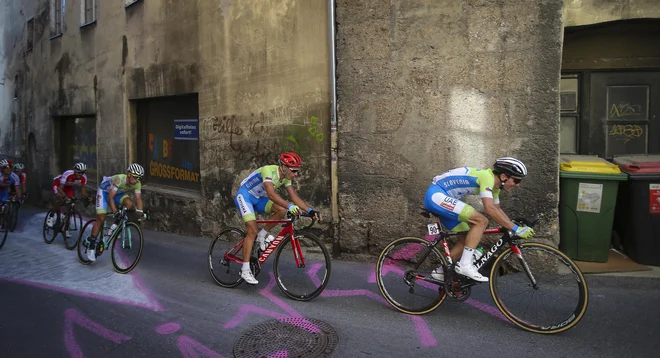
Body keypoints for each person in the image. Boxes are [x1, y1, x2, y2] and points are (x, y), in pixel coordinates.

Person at [424, 157, 535, 282]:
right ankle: (465, 265)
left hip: (443, 198)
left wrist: (514, 226)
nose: (518, 185)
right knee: (481, 221)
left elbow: (497, 209)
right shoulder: (487, 178)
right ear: (504, 177)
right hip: (437, 195)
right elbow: (489, 209)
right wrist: (515, 228)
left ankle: (441, 272)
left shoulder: (496, 188)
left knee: (466, 238)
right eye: (516, 180)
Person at [234, 152, 321, 285]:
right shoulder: (269, 171)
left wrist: (309, 210)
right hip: (245, 196)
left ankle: (262, 235)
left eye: (297, 171)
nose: (296, 174)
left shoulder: (286, 178)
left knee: (281, 210)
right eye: (294, 171)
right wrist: (290, 206)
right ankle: (245, 270)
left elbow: (294, 197)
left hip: (258, 199)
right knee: (252, 230)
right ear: (284, 167)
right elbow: (271, 194)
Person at [86, 163, 146, 262]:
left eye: (139, 177)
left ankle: (114, 227)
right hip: (104, 192)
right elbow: (110, 197)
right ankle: (91, 246)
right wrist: (115, 212)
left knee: (129, 204)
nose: (137, 180)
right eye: (135, 177)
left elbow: (138, 198)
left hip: (118, 193)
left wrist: (141, 213)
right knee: (101, 218)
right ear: (129, 174)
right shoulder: (119, 179)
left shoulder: (137, 183)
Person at [47, 163, 92, 231]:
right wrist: (65, 196)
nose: (80, 174)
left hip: (68, 187)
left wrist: (88, 197)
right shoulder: (67, 174)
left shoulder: (84, 177)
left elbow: (83, 191)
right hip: (58, 185)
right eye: (79, 172)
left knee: (71, 204)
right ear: (74, 170)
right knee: (62, 199)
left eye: (82, 173)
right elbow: (60, 188)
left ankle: (66, 226)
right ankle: (51, 215)